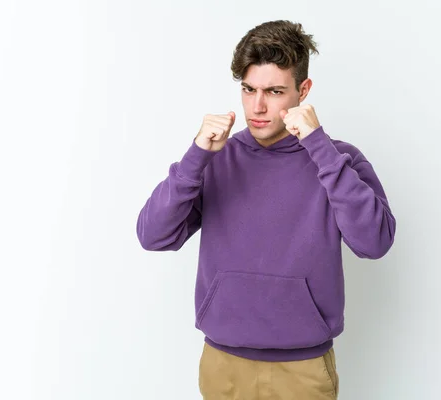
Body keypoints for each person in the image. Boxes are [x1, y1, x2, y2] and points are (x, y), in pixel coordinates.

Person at [136, 20, 396, 400]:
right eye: (248, 89)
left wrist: (319, 147)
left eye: (274, 92)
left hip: (303, 369)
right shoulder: (216, 158)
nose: (257, 107)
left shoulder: (339, 160)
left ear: (303, 91)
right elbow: (153, 235)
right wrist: (197, 156)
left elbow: (374, 242)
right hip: (222, 364)